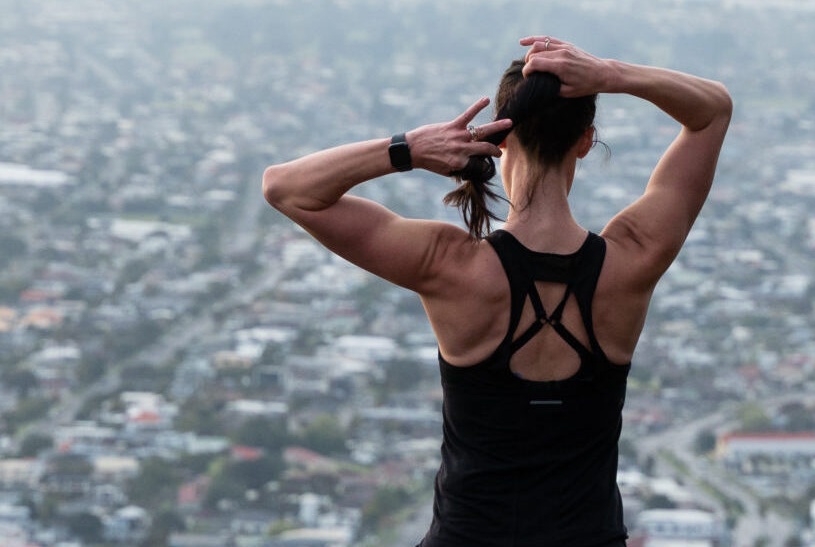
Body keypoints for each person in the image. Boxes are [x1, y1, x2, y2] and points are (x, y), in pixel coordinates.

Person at [260, 35, 733, 547]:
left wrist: (408, 150)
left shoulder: (450, 267)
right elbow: (712, 111)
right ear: (586, 140)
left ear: (500, 137)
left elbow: (285, 188)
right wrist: (611, 75)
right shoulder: (633, 259)